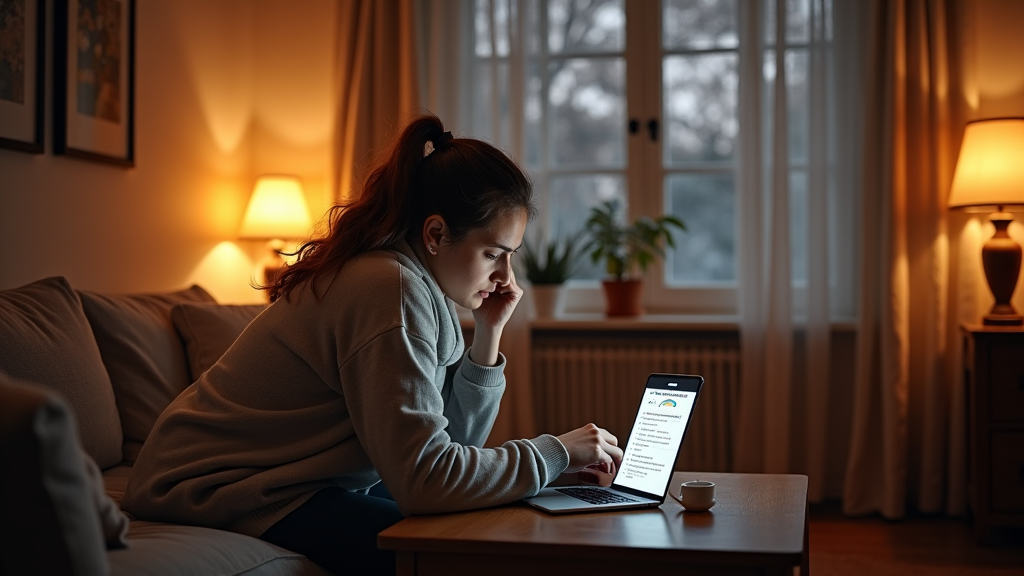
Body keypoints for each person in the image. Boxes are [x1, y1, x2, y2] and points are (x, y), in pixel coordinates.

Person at [121, 112, 623, 576]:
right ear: (434, 233)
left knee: (487, 523)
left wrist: (487, 334)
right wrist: (553, 452)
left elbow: (454, 450)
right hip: (212, 485)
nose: (504, 277)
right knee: (458, 553)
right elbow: (427, 480)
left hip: (294, 479)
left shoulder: (421, 289)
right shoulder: (389, 289)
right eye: (494, 253)